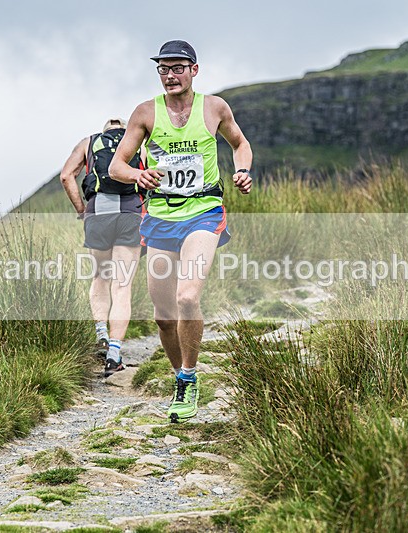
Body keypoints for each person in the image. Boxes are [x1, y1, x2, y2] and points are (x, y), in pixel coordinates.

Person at [109, 40, 252, 422]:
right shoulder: (145, 113)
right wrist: (139, 173)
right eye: (163, 69)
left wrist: (243, 170)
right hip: (159, 217)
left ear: (194, 70)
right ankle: (178, 376)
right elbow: (116, 167)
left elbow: (240, 143)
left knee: (187, 296)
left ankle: (189, 377)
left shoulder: (214, 107)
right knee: (163, 315)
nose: (170, 75)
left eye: (177, 68)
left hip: (204, 211)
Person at [59, 118, 146, 376]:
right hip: (131, 211)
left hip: (98, 212)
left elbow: (66, 176)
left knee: (100, 276)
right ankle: (114, 354)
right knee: (122, 284)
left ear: (105, 129)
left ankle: (101, 335)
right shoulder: (139, 144)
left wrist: (82, 211)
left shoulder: (88, 143)